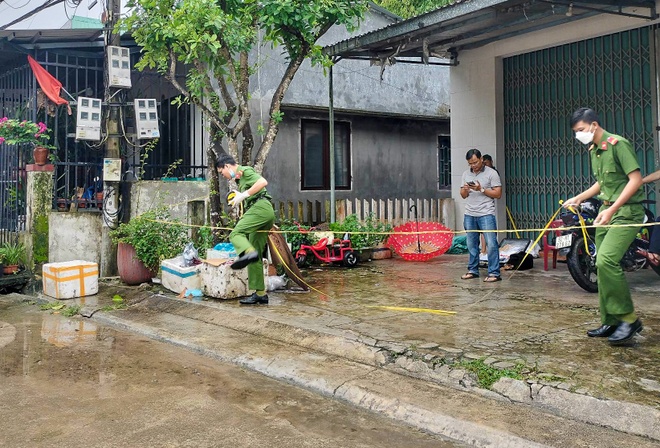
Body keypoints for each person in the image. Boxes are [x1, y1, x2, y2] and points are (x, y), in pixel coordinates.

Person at [564, 107, 644, 345]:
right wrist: (579, 197)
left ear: (594, 125)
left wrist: (612, 209)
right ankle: (611, 320)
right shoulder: (595, 151)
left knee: (606, 260)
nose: (579, 135)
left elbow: (636, 180)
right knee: (599, 264)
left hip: (626, 212)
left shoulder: (618, 144)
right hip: (605, 212)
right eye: (576, 132)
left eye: (581, 130)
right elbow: (602, 183)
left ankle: (629, 319)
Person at [217, 154, 275, 305]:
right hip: (261, 210)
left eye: (221, 172)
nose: (222, 176)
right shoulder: (239, 178)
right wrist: (240, 195)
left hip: (260, 209)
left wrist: (244, 194)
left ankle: (248, 253)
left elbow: (262, 182)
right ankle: (260, 294)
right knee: (255, 250)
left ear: (227, 166)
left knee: (236, 234)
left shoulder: (246, 170)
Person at [460, 148, 502, 282]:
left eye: (475, 162)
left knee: (491, 243)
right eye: (470, 163)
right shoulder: (466, 174)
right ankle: (473, 270)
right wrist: (466, 190)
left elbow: (498, 194)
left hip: (486, 213)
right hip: (469, 213)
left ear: (481, 159)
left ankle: (494, 273)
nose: (474, 166)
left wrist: (481, 189)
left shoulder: (492, 173)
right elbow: (462, 195)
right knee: (471, 244)